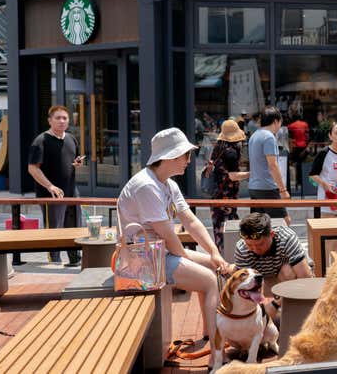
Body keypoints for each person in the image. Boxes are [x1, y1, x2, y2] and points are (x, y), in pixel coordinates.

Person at [117, 127, 230, 362]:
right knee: (209, 279)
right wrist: (188, 258)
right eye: (186, 155)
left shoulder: (167, 183)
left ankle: (211, 336)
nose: (190, 161)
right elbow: (167, 233)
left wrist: (214, 252)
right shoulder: (146, 186)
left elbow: (190, 220)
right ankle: (217, 357)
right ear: (170, 156)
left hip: (159, 253)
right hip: (142, 263)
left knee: (212, 265)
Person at [27, 105, 83, 266]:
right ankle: (55, 262)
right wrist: (50, 186)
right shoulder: (40, 141)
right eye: (58, 118)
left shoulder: (71, 139)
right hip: (50, 194)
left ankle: (75, 259)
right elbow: (32, 168)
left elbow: (73, 160)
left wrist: (77, 163)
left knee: (74, 226)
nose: (61, 121)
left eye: (64, 118)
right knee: (55, 229)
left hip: (72, 191)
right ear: (50, 120)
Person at [232, 212, 313, 320]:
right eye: (249, 245)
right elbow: (246, 285)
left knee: (287, 271)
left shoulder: (287, 238)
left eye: (260, 244)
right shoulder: (241, 248)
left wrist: (275, 304)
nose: (255, 250)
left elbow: (305, 277)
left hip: (292, 279)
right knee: (235, 276)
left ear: (272, 234)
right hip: (264, 281)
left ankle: (291, 314)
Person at [210, 120, 249, 252]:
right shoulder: (231, 152)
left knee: (219, 229)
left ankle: (220, 257)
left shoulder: (218, 148)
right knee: (229, 228)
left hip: (216, 195)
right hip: (227, 197)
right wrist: (251, 174)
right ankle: (229, 259)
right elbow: (232, 176)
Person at [248, 106, 291, 225]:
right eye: (280, 123)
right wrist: (283, 189)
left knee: (261, 226)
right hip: (268, 187)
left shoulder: (254, 136)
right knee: (284, 222)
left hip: (254, 187)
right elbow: (273, 165)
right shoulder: (269, 137)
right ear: (276, 121)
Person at [309, 122, 337, 216]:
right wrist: (325, 184)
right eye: (336, 133)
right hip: (326, 204)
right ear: (330, 136)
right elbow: (312, 175)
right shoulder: (324, 153)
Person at [287, 114, 310, 192]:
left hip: (296, 147)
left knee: (297, 165)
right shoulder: (305, 124)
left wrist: (291, 150)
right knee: (303, 164)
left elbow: (290, 138)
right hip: (303, 146)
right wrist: (307, 145)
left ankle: (298, 181)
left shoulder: (291, 126)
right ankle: (303, 181)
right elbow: (307, 136)